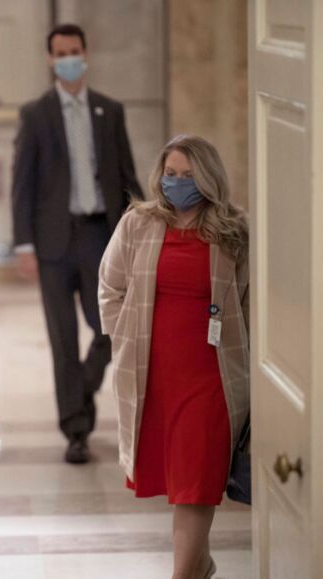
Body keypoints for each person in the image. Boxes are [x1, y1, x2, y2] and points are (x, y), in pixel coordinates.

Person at [99, 135, 249, 579]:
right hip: (153, 370)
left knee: (196, 483)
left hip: (212, 374)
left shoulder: (233, 229)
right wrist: (121, 339)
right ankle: (199, 565)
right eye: (170, 174)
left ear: (208, 178)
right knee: (178, 480)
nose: (177, 183)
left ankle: (183, 574)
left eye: (188, 175)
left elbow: (250, 300)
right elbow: (110, 287)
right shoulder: (138, 223)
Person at [11, 23, 142, 464]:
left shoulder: (110, 110)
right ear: (49, 59)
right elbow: (22, 184)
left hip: (100, 236)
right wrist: (23, 244)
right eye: (60, 52)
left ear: (86, 53)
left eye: (74, 50)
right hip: (51, 241)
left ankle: (81, 387)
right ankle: (76, 430)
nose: (68, 58)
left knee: (109, 327)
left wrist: (141, 231)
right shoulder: (35, 114)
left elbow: (127, 177)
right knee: (63, 338)